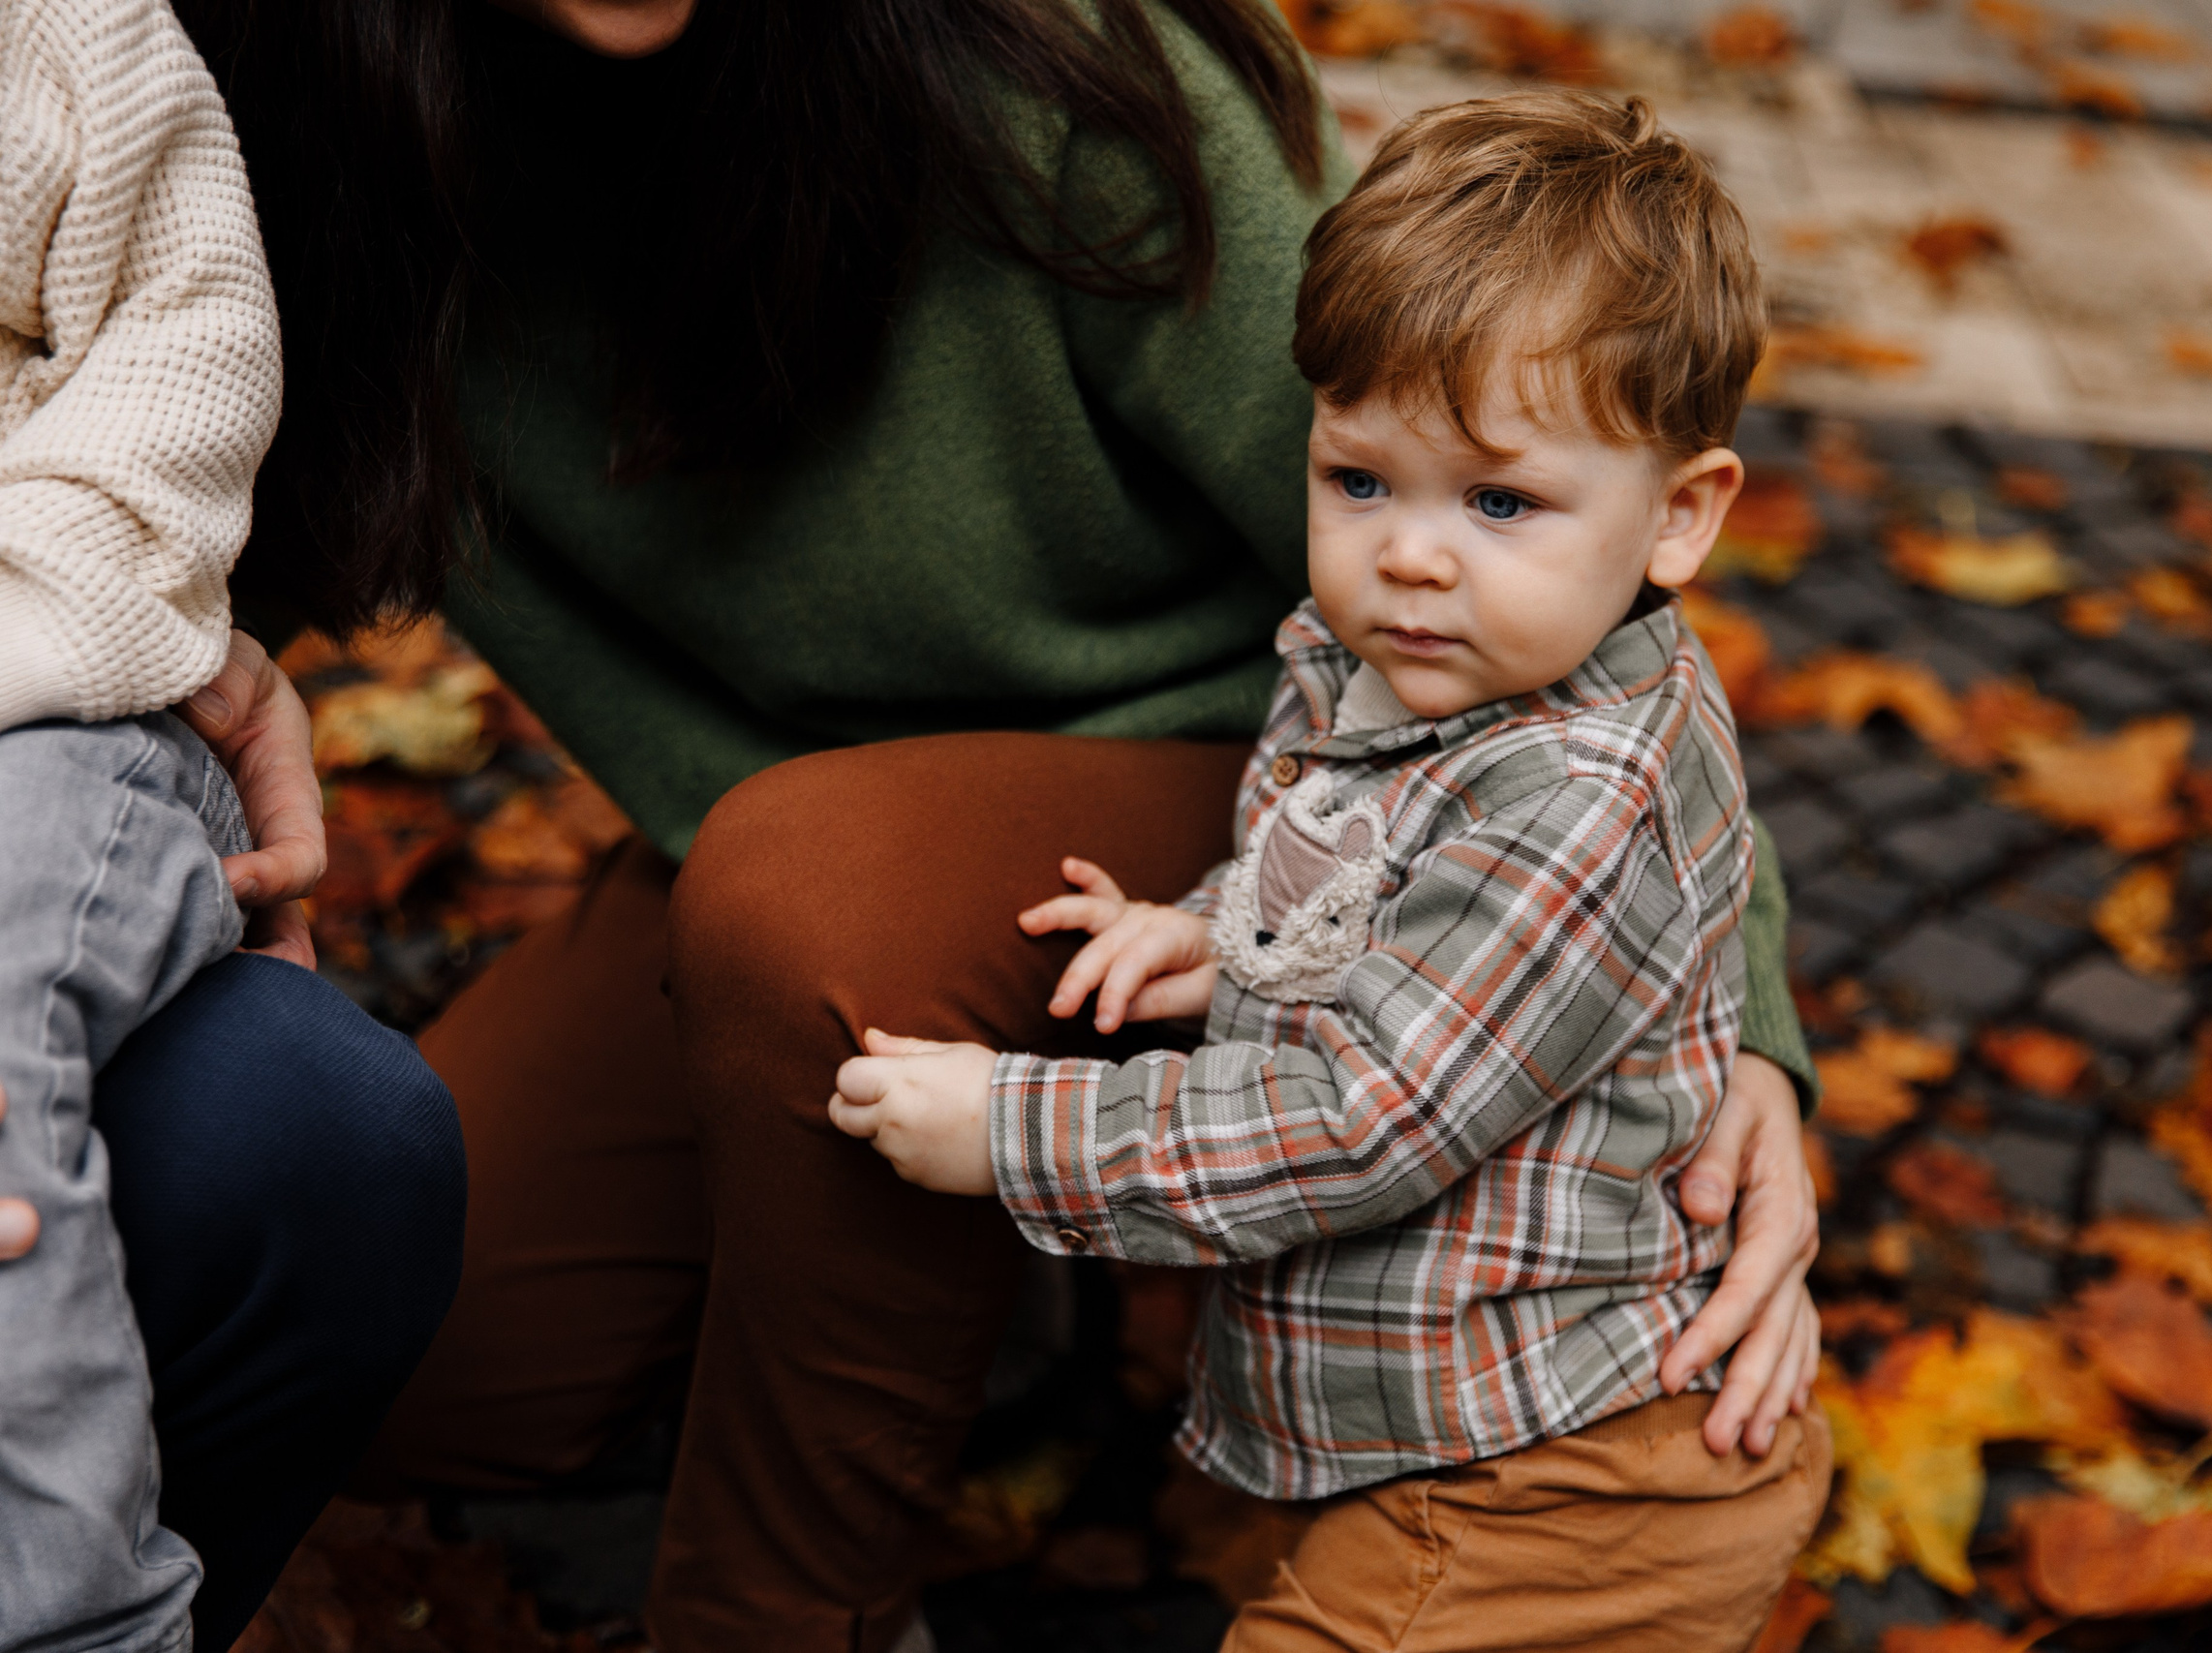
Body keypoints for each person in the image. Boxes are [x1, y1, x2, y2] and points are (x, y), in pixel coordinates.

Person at [172, 1, 1826, 1646]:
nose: (1397, 526)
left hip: (1273, 807)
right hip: (806, 853)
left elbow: (1554, 542)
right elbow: (118, 580)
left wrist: (1731, 1025)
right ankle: (963, 1273)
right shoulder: (296, 120)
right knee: (368, 1348)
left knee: (815, 900)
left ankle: (784, 1616)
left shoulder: (1056, 63)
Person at [829, 91, 1829, 1653]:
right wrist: (1217, 940)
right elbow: (1358, 878)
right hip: (1435, 1431)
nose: (1413, 555)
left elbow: (1362, 1118)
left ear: (1681, 518)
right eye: (1361, 481)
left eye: (1500, 501)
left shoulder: (1579, 801)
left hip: (1562, 1478)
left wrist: (1018, 1133)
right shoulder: (1397, 663)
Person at [0, 1, 466, 1645]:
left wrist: (97, 619)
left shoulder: (79, 45)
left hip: (42, 702)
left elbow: (175, 383)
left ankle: (76, 1616)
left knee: (82, 1086)